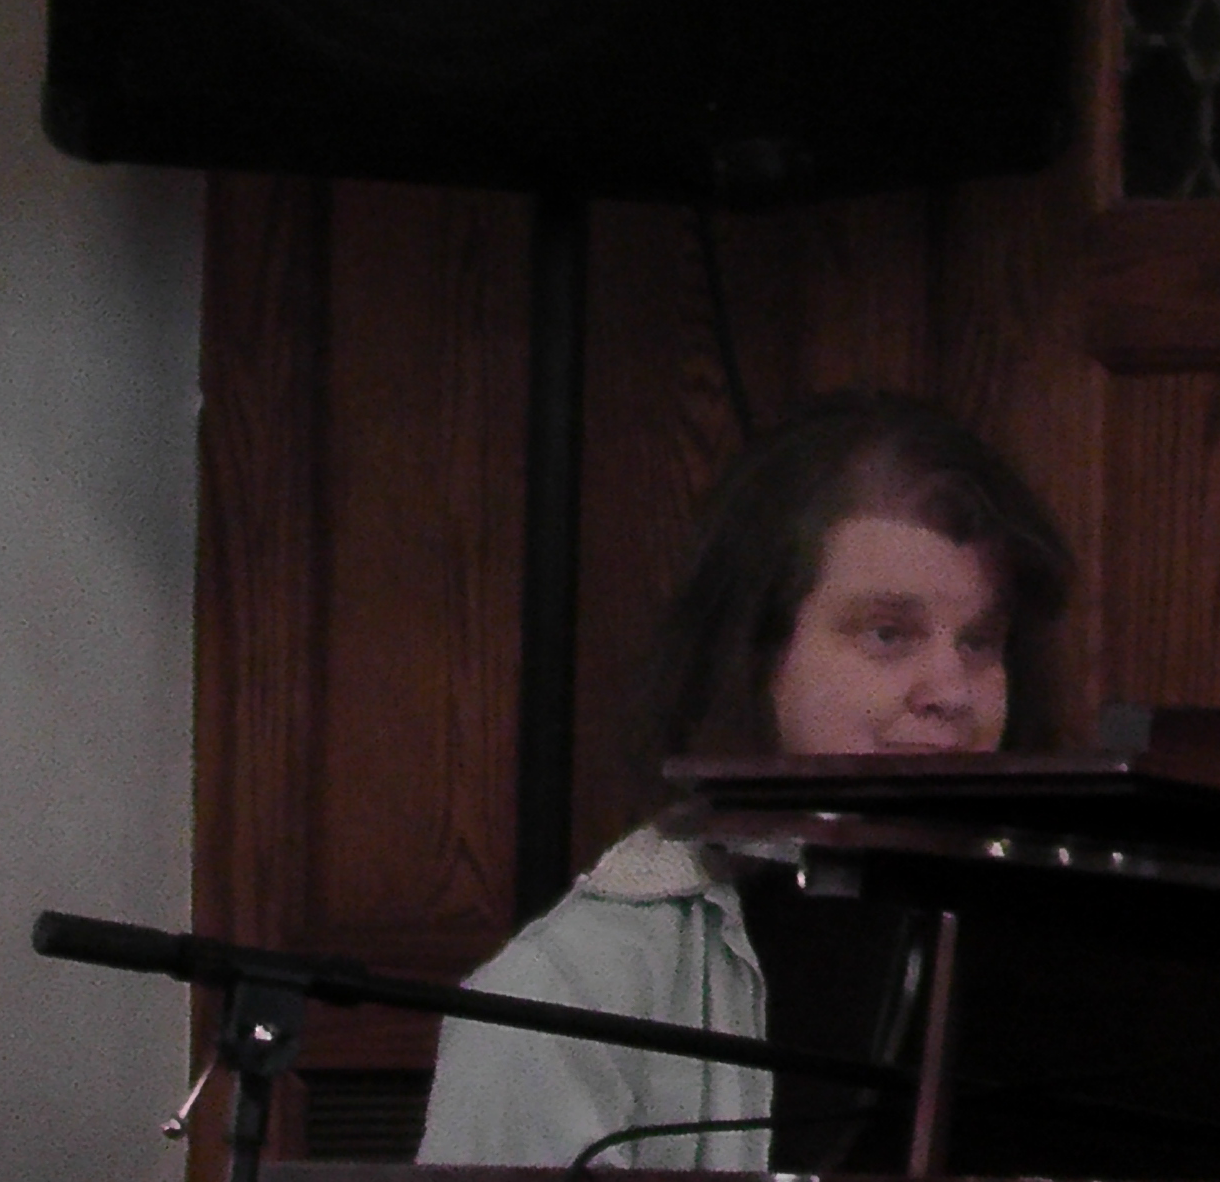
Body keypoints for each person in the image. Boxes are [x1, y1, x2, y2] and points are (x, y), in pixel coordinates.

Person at [415, 390, 1075, 1170]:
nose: (952, 692)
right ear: (756, 655)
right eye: (889, 633)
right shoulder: (566, 990)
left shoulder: (1060, 957)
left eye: (980, 641)